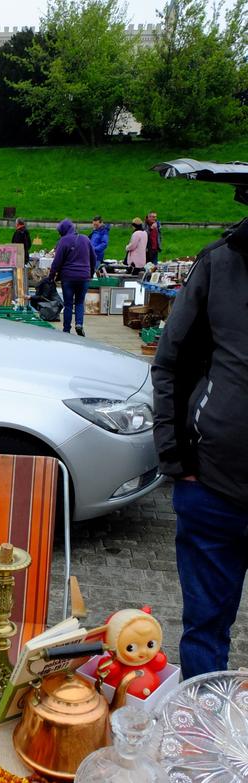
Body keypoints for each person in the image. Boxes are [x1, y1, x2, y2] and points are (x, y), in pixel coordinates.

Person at [151, 215, 248, 679]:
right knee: (206, 632)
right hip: (213, 487)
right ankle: (201, 745)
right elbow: (171, 362)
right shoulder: (222, 263)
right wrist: (178, 459)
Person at [48, 218, 95, 336]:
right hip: (84, 277)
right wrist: (90, 273)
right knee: (79, 302)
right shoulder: (85, 239)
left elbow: (57, 262)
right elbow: (93, 257)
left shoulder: (63, 241)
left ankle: (66, 330)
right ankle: (79, 324)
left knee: (68, 304)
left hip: (68, 277)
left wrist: (51, 276)